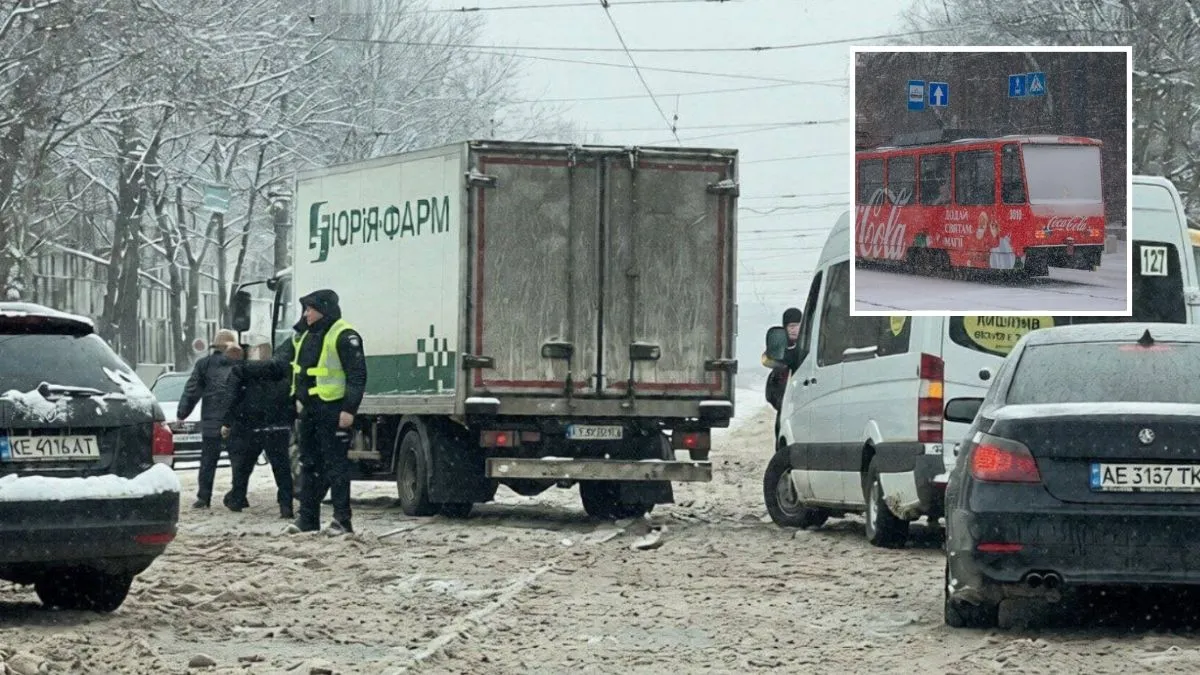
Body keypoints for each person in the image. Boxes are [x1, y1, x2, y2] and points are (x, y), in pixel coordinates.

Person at [249, 289, 367, 535]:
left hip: (332, 409)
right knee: (308, 464)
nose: (306, 314)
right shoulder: (305, 336)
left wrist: (349, 410)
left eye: (309, 309)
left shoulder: (344, 335)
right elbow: (289, 366)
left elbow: (357, 375)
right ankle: (308, 518)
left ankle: (342, 520)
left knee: (336, 467)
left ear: (323, 309)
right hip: (310, 411)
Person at [220, 341, 295, 519]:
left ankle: (237, 499)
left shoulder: (241, 371)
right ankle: (286, 506)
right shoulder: (285, 371)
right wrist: (289, 420)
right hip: (277, 427)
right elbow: (292, 397)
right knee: (282, 468)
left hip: (250, 426)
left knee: (243, 467)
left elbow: (231, 397)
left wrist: (227, 422)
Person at [177, 329, 240, 509]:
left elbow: (192, 390)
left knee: (208, 461)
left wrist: (182, 412)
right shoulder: (241, 363)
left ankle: (204, 497)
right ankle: (238, 495)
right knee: (238, 461)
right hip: (236, 421)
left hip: (211, 422)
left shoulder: (204, 364)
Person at [763, 307, 802, 412]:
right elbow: (766, 359)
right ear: (785, 327)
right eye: (791, 326)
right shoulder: (779, 345)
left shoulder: (808, 345)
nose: (794, 329)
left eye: (798, 325)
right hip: (783, 394)